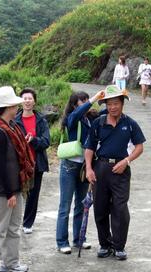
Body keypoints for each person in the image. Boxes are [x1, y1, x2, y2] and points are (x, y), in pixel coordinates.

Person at [84, 85, 146, 260]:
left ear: (122, 103)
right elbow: (89, 147)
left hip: (121, 170)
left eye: (116, 103)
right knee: (100, 208)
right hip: (100, 168)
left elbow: (139, 147)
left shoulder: (130, 124)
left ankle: (119, 246)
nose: (112, 107)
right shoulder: (98, 123)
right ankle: (105, 244)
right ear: (105, 105)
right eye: (109, 104)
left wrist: (126, 161)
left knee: (120, 208)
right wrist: (89, 168)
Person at [0, 86, 34, 272]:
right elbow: (0, 166)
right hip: (0, 189)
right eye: (15, 104)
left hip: (14, 185)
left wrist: (15, 189)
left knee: (13, 227)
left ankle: (10, 263)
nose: (18, 106)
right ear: (8, 107)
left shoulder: (11, 126)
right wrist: (10, 192)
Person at [56, 90, 104, 254]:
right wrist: (94, 99)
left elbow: (105, 113)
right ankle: (62, 241)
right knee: (65, 205)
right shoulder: (73, 118)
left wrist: (110, 99)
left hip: (84, 166)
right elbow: (77, 113)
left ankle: (78, 239)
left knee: (81, 204)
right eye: (80, 101)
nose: (84, 103)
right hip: (69, 165)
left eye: (85, 100)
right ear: (74, 104)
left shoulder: (90, 118)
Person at [15, 88, 50, 234]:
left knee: (33, 194)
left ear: (34, 101)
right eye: (24, 98)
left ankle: (28, 223)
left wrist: (33, 140)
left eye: (30, 98)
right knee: (16, 193)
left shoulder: (41, 120)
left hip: (36, 163)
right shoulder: (15, 120)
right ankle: (14, 222)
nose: (27, 101)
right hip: (19, 163)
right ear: (20, 101)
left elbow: (46, 141)